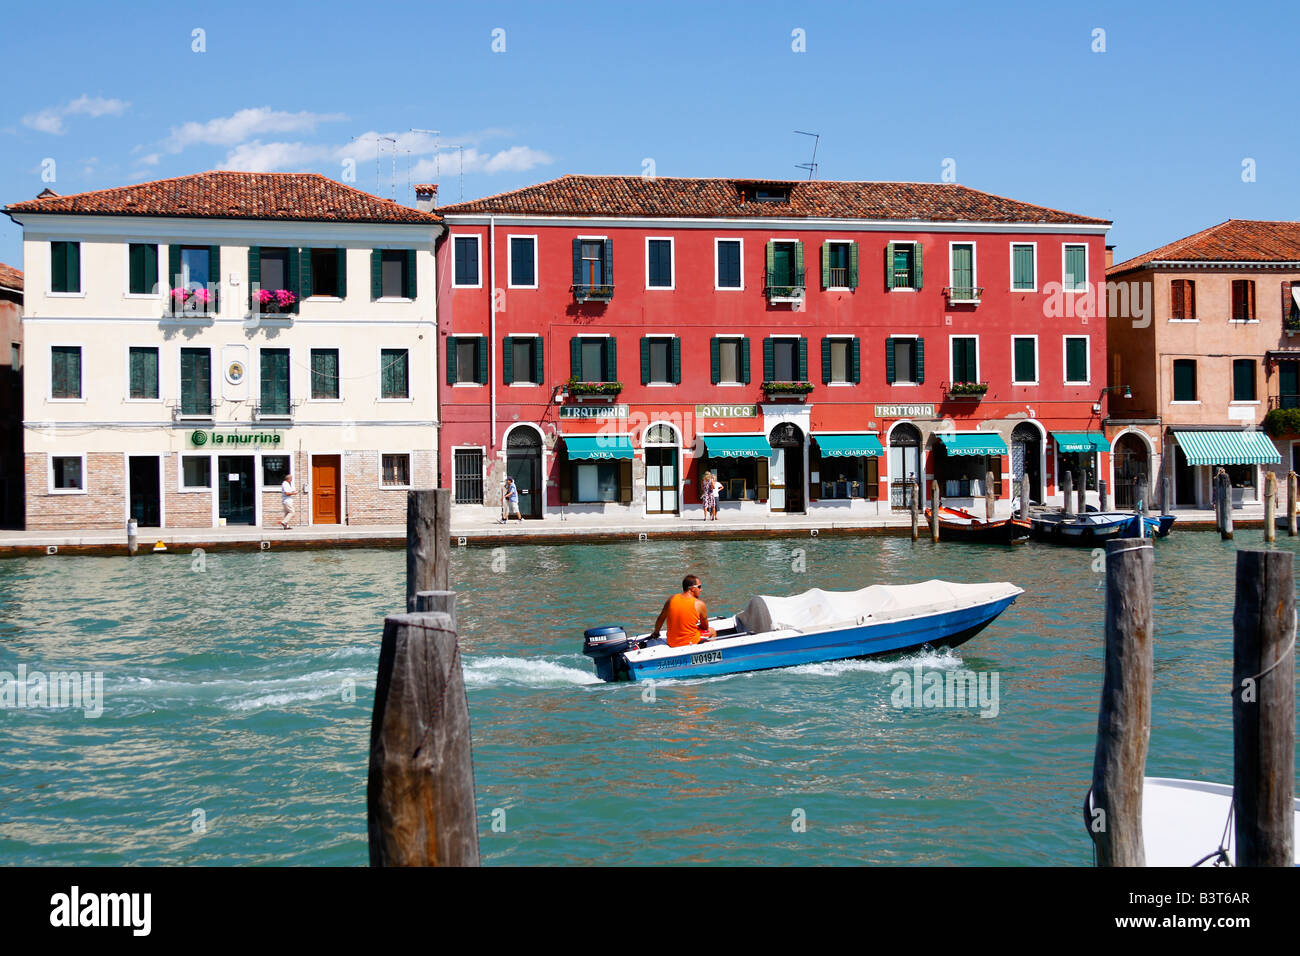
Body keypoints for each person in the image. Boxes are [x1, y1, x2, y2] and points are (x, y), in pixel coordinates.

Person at [648, 574, 717, 647]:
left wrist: (656, 632)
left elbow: (660, 619)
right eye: (699, 587)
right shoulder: (699, 604)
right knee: (712, 631)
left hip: (672, 642)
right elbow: (705, 627)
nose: (701, 590)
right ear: (692, 588)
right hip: (689, 641)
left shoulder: (671, 599)